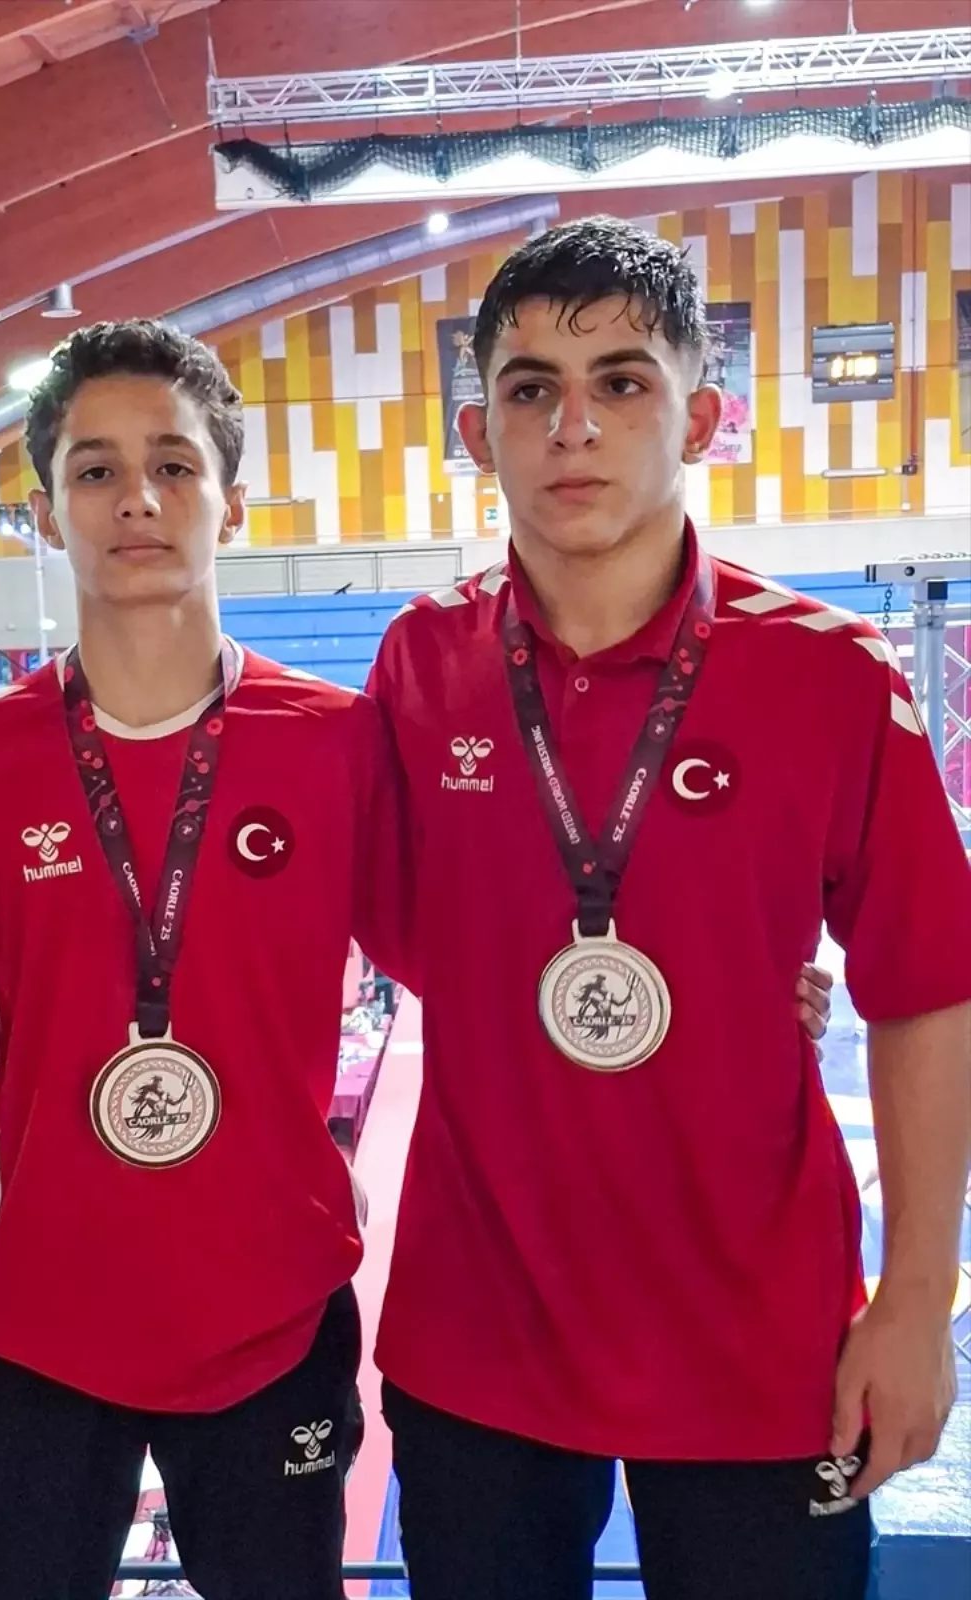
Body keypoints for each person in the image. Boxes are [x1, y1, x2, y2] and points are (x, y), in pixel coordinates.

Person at [368, 218, 971, 1600]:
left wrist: (915, 1301)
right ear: (479, 432)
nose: (573, 426)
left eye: (623, 382)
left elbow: (927, 990)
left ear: (701, 417)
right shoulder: (420, 663)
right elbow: (410, 939)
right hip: (482, 1332)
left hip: (758, 1337)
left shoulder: (830, 674)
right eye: (531, 388)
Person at [0, 319, 411, 1600]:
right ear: (46, 511)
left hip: (272, 1304)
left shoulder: (337, 743)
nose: (138, 499)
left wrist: (746, 976)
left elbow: (474, 953)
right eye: (95, 470)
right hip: (31, 1313)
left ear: (232, 496)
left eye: (173, 463)